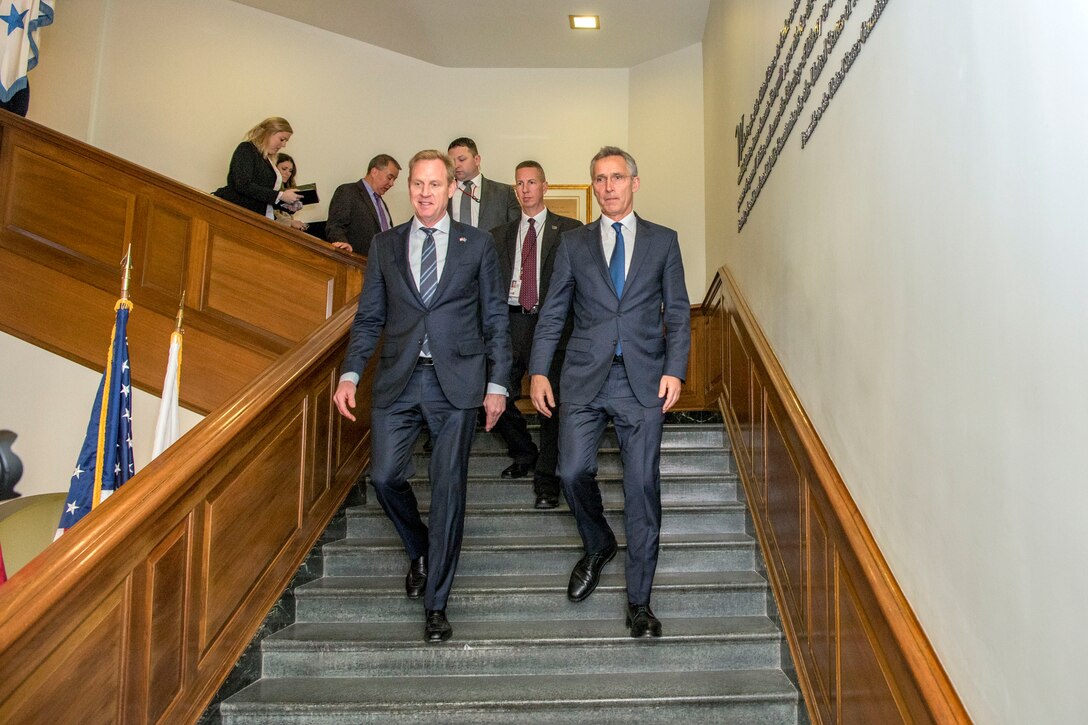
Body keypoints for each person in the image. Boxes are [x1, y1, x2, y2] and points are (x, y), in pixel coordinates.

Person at [333, 150, 511, 644]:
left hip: (456, 382)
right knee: (386, 476)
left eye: (435, 184)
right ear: (408, 188)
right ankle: (420, 547)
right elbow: (370, 316)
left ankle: (437, 604)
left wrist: (498, 383)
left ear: (451, 188)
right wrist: (350, 373)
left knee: (448, 487)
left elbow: (495, 317)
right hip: (398, 378)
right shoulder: (385, 244)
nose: (425, 192)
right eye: (417, 184)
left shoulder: (476, 245)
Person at [529, 146, 691, 638]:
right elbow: (554, 310)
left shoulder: (663, 241)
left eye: (616, 177)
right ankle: (598, 542)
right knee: (571, 470)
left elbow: (679, 312)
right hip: (583, 376)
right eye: (599, 179)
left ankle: (639, 602)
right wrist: (539, 370)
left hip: (642, 381)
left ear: (634, 183)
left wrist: (676, 369)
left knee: (642, 488)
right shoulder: (575, 244)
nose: (607, 187)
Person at [488, 161, 582, 507]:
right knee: (491, 394)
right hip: (509, 323)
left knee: (550, 405)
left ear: (545, 186)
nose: (525, 189)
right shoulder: (498, 235)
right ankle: (524, 451)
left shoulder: (570, 231)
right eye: (519, 184)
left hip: (552, 325)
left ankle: (547, 483)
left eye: (531, 182)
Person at [212, 117, 303, 220]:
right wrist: (280, 196)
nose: (283, 145)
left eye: (286, 141)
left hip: (255, 217)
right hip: (235, 214)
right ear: (268, 133)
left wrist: (285, 204)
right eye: (282, 139)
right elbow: (243, 184)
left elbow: (262, 197)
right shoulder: (246, 149)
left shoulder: (267, 160)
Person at [326, 154, 401, 256]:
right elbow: (335, 226)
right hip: (356, 264)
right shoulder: (348, 192)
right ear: (374, 172)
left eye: (394, 180)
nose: (392, 184)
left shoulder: (382, 205)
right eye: (389, 177)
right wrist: (343, 245)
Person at [447, 137, 519, 231]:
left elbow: (516, 231)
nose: (456, 165)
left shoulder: (504, 193)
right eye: (452, 161)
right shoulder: (443, 193)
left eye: (462, 159)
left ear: (477, 159)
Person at [274, 153, 308, 231]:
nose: (288, 173)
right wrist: (290, 222)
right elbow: (271, 214)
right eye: (284, 169)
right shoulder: (269, 187)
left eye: (290, 171)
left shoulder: (289, 187)